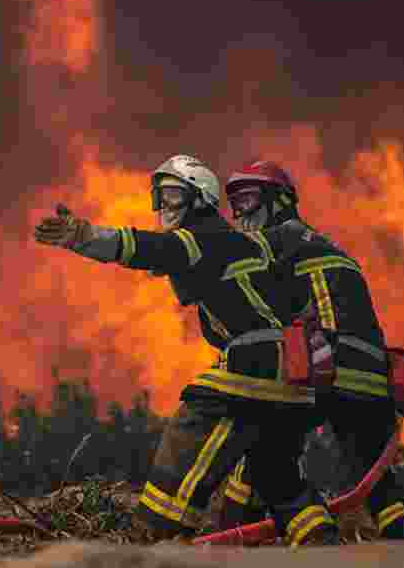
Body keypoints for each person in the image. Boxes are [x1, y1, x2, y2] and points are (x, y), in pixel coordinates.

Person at [33, 155, 339, 546]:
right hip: (293, 375)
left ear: (201, 199)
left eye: (174, 196)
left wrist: (85, 236)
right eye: (159, 198)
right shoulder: (241, 244)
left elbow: (146, 248)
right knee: (274, 472)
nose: (164, 208)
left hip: (256, 364)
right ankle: (320, 540)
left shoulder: (201, 235)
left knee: (188, 429)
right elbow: (295, 301)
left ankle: (156, 538)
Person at [218, 160, 404, 540]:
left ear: (280, 201)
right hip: (371, 376)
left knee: (265, 447)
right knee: (367, 457)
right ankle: (401, 522)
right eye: (235, 204)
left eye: (249, 200)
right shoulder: (324, 244)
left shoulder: (271, 242)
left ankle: (304, 526)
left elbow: (251, 310)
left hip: (325, 367)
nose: (240, 214)